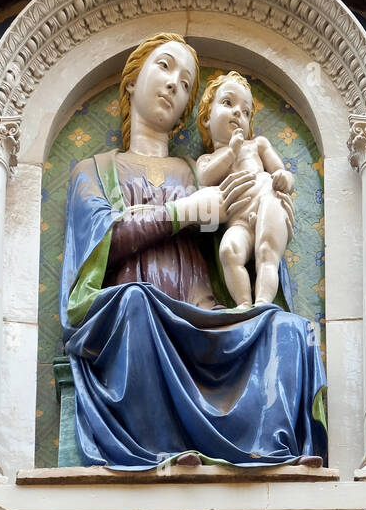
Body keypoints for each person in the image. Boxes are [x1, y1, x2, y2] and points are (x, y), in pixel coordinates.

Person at [59, 32, 326, 470]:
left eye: (186, 83)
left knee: (284, 328)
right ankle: (158, 450)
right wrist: (183, 211)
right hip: (132, 315)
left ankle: (273, 452)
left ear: (189, 111)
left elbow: (211, 264)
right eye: (163, 67)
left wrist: (268, 210)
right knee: (137, 303)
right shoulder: (94, 170)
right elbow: (100, 245)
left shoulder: (196, 171)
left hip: (193, 316)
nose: (173, 85)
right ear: (130, 83)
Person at [195, 70, 295, 309]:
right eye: (228, 103)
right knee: (229, 251)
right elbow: (205, 178)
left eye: (246, 111)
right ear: (207, 117)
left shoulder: (257, 145)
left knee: (267, 252)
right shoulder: (207, 159)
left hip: (268, 203)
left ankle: (262, 303)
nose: (238, 112)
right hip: (238, 221)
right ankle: (243, 305)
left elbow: (282, 172)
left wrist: (284, 178)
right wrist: (230, 151)